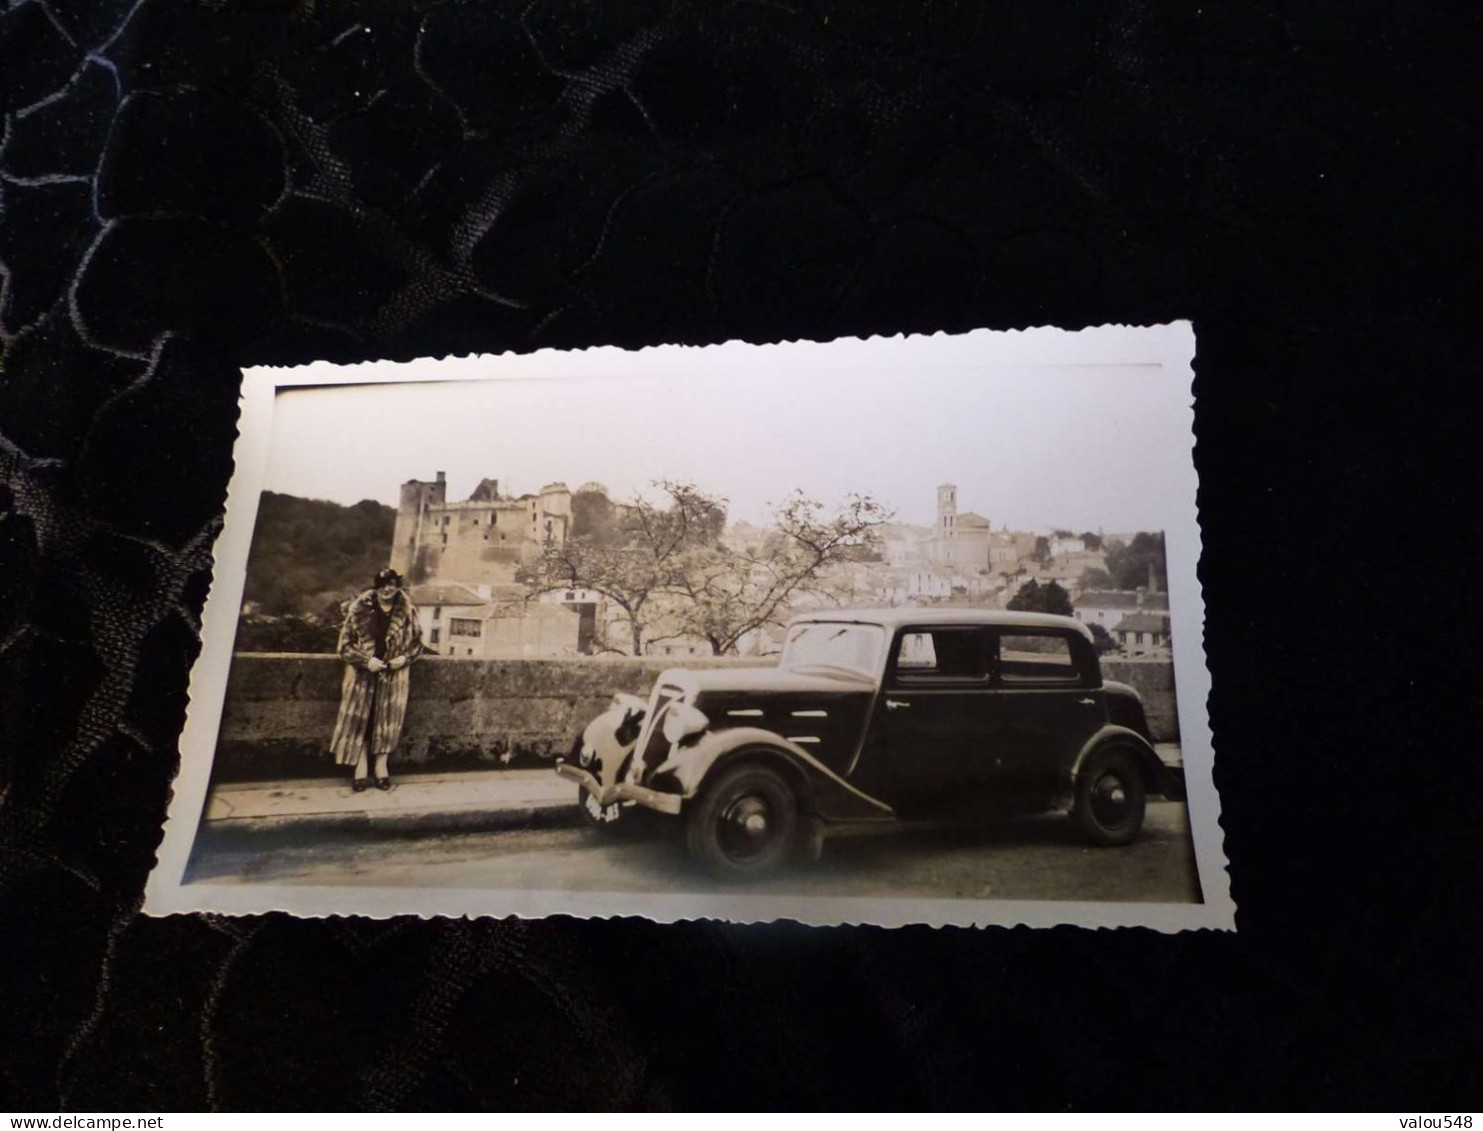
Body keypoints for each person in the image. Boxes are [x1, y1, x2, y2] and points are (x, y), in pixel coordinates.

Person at [329, 568, 423, 792]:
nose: (387, 589)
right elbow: (344, 647)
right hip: (363, 677)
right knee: (363, 721)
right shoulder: (359, 609)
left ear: (397, 586)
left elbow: (417, 643)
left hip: (393, 677)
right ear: (376, 586)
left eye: (391, 584)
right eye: (382, 585)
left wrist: (404, 658)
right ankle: (360, 767)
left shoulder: (408, 611)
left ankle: (381, 767)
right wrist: (365, 660)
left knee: (387, 723)